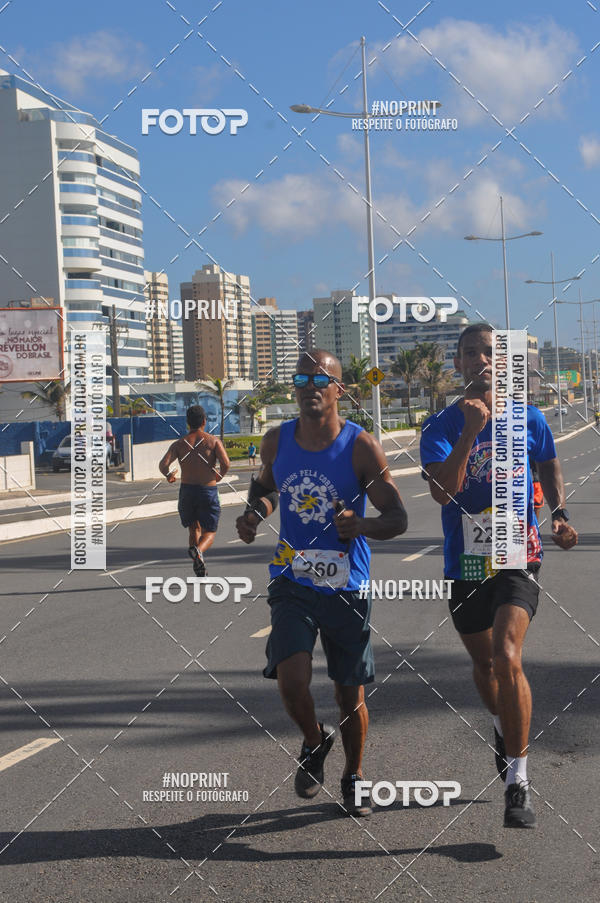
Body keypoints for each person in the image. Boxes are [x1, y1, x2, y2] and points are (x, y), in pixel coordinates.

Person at [235, 349, 408, 816]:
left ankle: (354, 776)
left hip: (347, 584)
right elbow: (269, 487)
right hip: (292, 578)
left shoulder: (360, 446)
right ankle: (314, 742)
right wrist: (255, 513)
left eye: (320, 378)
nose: (310, 385)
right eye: (301, 378)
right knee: (292, 679)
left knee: (348, 693)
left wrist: (362, 526)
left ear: (339, 389)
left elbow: (397, 517)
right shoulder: (276, 440)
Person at [420, 324, 578, 829]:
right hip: (467, 559)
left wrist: (560, 513)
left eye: (489, 352)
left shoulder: (529, 418)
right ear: (459, 363)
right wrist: (470, 430)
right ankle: (499, 724)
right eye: (471, 353)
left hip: (517, 550)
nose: (481, 360)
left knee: (508, 654)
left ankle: (518, 779)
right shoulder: (440, 427)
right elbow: (442, 494)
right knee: (486, 664)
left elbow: (549, 465)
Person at [159, 405, 230, 577]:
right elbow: (226, 464)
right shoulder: (213, 441)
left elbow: (163, 464)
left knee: (193, 529)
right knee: (210, 532)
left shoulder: (179, 444)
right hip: (208, 490)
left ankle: (199, 566)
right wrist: (218, 477)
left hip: (187, 491)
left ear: (187, 423)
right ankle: (198, 551)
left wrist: (169, 475)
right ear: (204, 421)